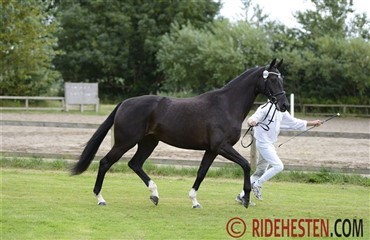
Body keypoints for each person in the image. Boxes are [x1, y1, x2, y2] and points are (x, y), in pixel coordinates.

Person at [236, 101, 322, 204]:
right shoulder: (265, 108)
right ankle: (257, 185)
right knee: (278, 166)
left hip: (269, 144)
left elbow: (294, 122)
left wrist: (312, 123)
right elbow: (253, 118)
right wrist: (251, 121)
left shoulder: (281, 109)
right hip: (263, 144)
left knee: (260, 172)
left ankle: (242, 196)